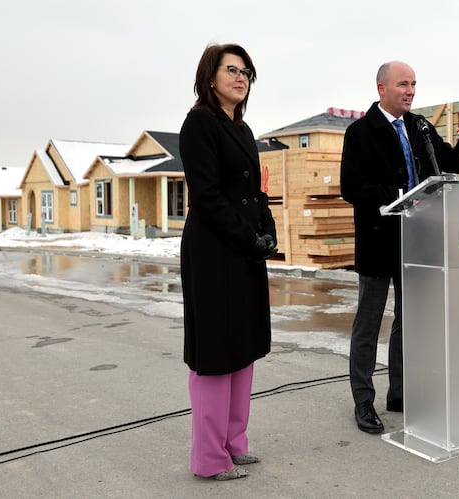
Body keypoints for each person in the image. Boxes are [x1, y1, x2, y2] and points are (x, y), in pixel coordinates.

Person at [340, 60, 459, 433]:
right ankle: (363, 401)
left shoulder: (419, 126)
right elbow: (351, 187)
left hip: (417, 240)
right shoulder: (360, 132)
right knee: (369, 324)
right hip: (378, 240)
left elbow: (451, 164)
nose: (410, 91)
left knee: (409, 323)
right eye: (403, 84)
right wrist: (400, 196)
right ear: (381, 89)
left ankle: (400, 392)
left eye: (414, 85)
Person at [178, 43, 278, 481]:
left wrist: (268, 228)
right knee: (216, 353)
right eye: (232, 70)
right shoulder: (199, 123)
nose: (241, 78)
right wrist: (248, 238)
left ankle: (235, 443)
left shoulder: (243, 128)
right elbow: (207, 196)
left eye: (247, 72)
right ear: (210, 76)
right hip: (214, 251)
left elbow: (255, 192)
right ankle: (209, 458)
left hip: (243, 250)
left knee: (244, 346)